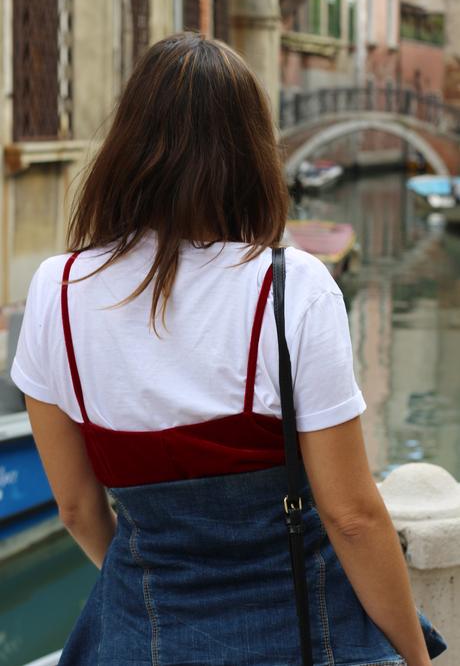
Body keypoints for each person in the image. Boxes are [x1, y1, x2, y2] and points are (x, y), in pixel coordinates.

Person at [12, 32, 435, 666]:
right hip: (296, 632)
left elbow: (75, 507)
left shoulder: (57, 290)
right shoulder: (293, 287)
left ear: (126, 144)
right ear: (249, 153)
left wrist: (152, 587)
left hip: (140, 636)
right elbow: (352, 516)